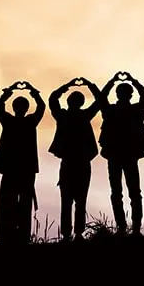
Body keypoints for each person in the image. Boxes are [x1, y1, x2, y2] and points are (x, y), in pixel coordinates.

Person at [0, 81, 45, 246]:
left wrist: (8, 92)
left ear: (14, 108)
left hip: (11, 170)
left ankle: (6, 239)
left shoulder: (9, 120)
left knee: (7, 204)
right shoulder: (30, 121)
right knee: (23, 205)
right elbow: (41, 107)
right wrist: (33, 91)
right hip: (25, 170)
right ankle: (21, 238)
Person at [48, 77, 101, 242]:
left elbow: (52, 99)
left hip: (70, 163)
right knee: (79, 200)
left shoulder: (63, 116)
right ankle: (77, 233)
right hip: (81, 163)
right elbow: (100, 100)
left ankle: (68, 234)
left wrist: (67, 86)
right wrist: (90, 86)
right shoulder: (84, 115)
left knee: (67, 201)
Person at [98, 72, 144, 236]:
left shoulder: (118, 110)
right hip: (120, 155)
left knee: (126, 193)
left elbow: (102, 98)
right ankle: (128, 228)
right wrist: (131, 81)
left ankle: (130, 228)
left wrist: (114, 81)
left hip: (124, 155)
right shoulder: (128, 110)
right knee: (127, 193)